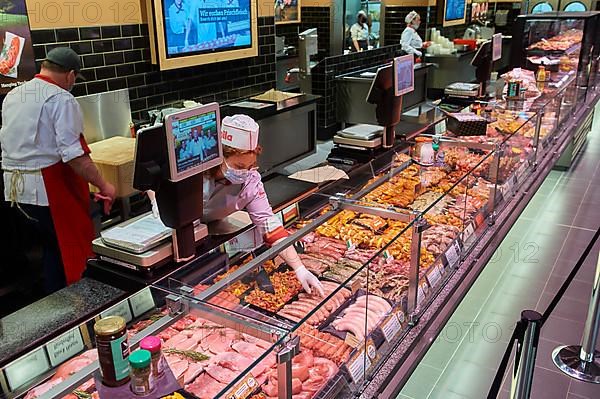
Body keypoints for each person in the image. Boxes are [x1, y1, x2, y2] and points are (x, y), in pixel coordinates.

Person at [0, 47, 116, 294]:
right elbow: (73, 155)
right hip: (47, 190)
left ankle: (56, 306)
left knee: (50, 250)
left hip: (15, 191)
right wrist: (105, 185)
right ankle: (79, 303)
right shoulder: (60, 98)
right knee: (68, 249)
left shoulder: (14, 94)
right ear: (71, 75)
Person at [203, 115, 324, 296]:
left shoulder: (250, 181)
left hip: (213, 232)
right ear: (220, 157)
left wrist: (299, 268)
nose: (245, 172)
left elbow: (269, 225)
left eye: (251, 165)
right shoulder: (196, 176)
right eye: (239, 165)